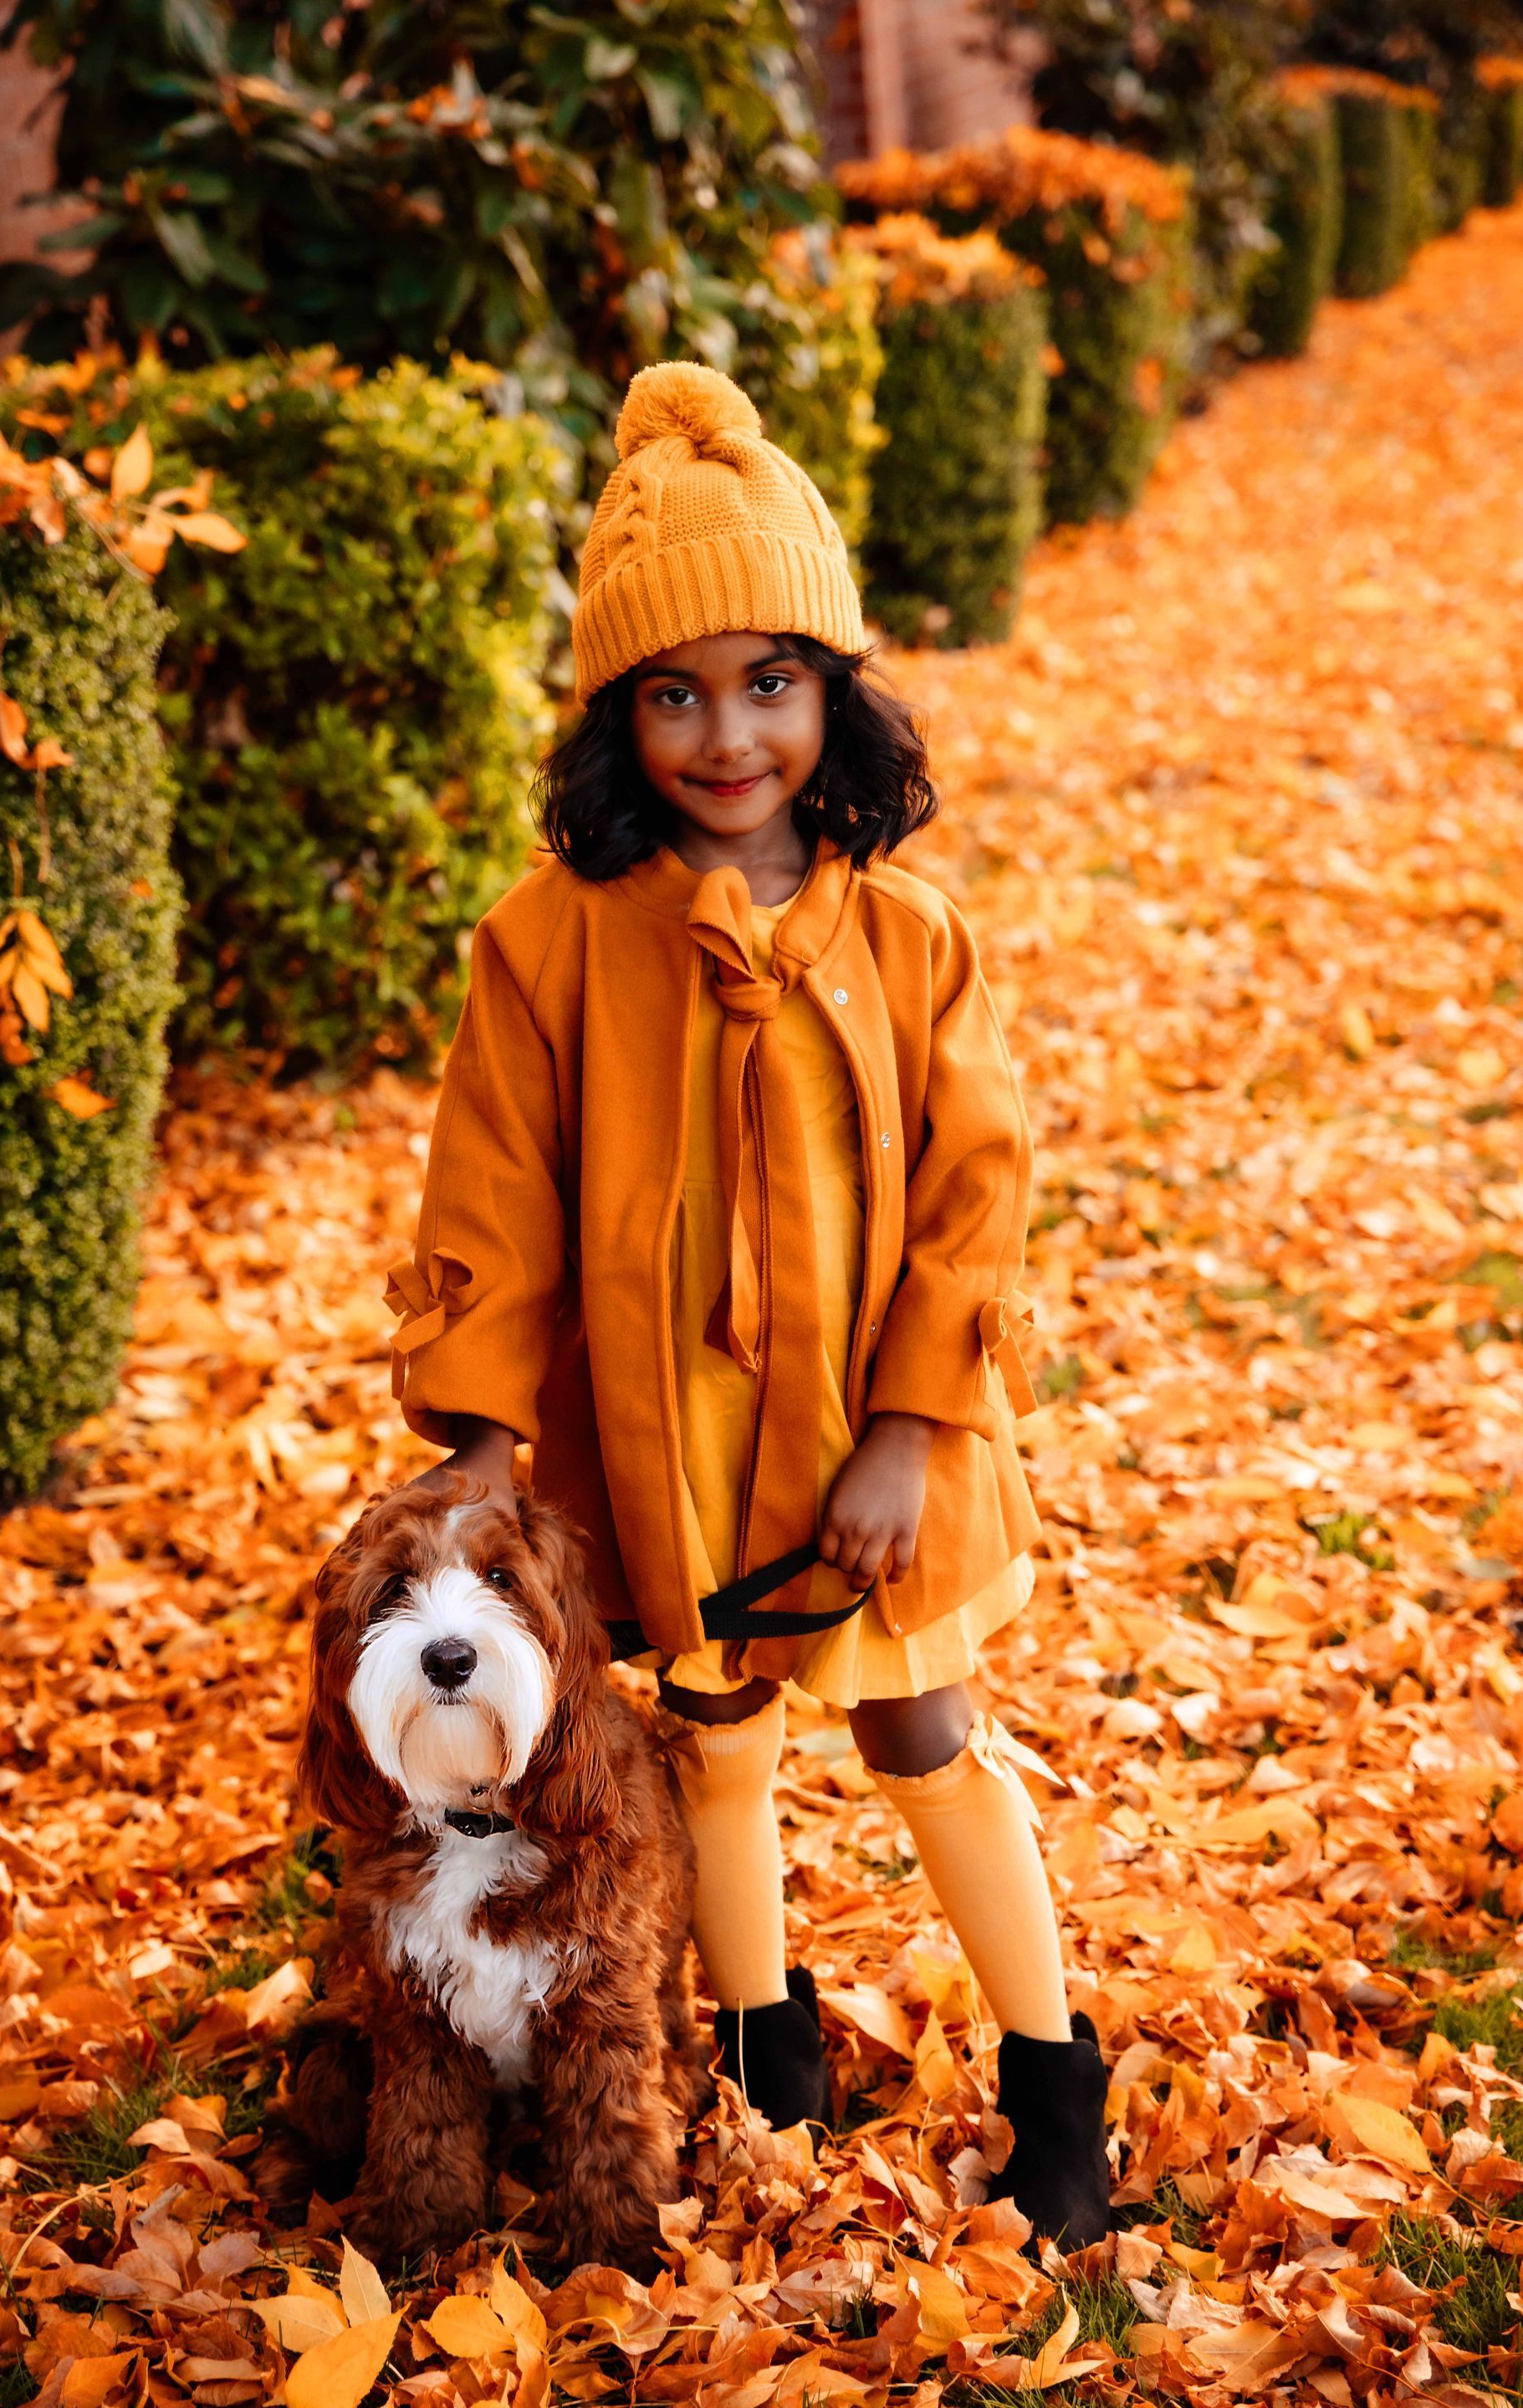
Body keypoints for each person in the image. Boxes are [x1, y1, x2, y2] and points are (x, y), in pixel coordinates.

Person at [386, 360, 1109, 2246]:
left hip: (876, 1428)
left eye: (770, 682)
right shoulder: (549, 941)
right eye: (672, 692)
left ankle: (1054, 2082)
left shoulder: (905, 931)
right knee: (709, 1729)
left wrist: (909, 1427)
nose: (727, 736)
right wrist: (481, 1440)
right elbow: (495, 1190)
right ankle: (766, 2044)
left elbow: (978, 1190)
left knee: (919, 1729)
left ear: (834, 689)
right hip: (662, 1425)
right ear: (616, 715)